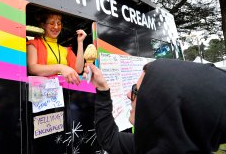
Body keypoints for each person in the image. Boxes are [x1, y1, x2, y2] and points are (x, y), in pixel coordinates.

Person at [83, 59, 226, 153]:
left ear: (160, 102)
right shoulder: (151, 143)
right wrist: (102, 89)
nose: (128, 95)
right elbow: (109, 139)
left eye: (135, 90)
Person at [27, 11, 87, 85]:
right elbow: (32, 68)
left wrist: (80, 42)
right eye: (52, 23)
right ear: (43, 25)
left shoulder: (66, 50)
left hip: (64, 91)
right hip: (41, 91)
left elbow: (78, 69)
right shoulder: (33, 44)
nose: (56, 27)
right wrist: (60, 68)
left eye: (59, 24)